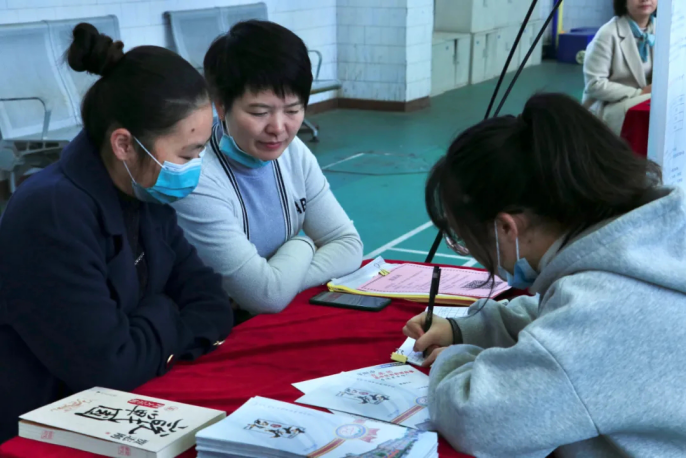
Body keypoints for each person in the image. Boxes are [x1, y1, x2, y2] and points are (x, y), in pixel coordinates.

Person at [404, 93, 686, 457]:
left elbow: (478, 418)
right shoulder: (648, 236)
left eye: (468, 239)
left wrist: (454, 356)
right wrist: (467, 327)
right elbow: (557, 319)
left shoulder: (603, 306)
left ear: (506, 228)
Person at [0, 24, 234, 443]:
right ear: (124, 144)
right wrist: (167, 310)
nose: (195, 168)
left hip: (122, 412)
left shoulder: (142, 191)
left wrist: (142, 330)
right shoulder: (52, 214)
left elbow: (212, 302)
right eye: (187, 154)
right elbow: (107, 369)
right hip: (42, 429)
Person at [172, 20, 363, 316]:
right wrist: (303, 243)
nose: (278, 128)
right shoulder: (195, 176)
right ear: (220, 106)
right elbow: (264, 297)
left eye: (293, 110)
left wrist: (281, 281)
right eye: (259, 112)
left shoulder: (294, 153)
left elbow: (348, 244)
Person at [582, 0, 657, 134]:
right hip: (610, 104)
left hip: (646, 99)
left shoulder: (664, 28)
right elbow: (594, 84)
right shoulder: (607, 33)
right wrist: (640, 93)